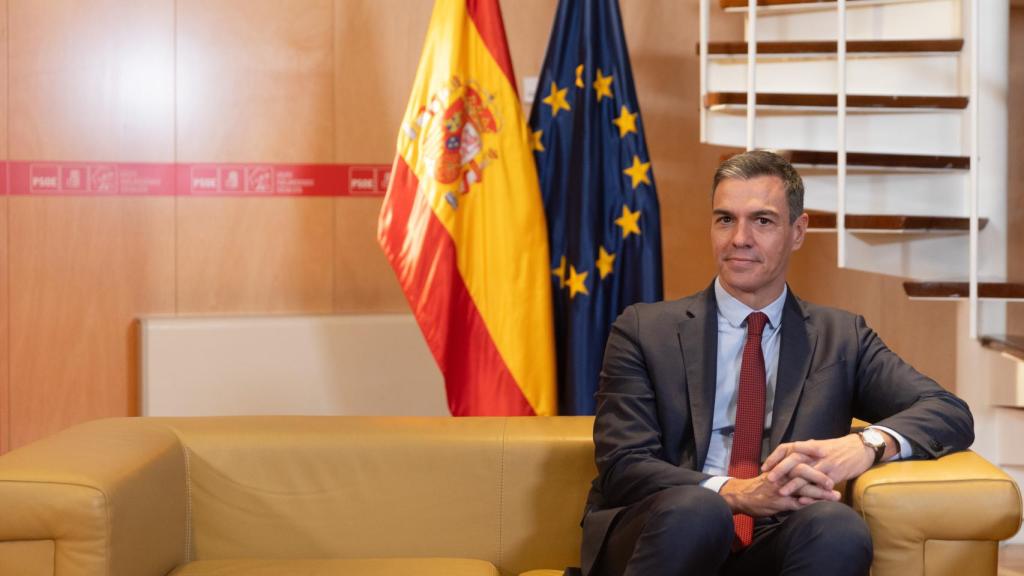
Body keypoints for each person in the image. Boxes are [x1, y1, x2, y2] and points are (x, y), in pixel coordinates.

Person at [580, 150, 974, 576]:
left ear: (798, 232)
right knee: (700, 509)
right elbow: (623, 465)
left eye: (762, 221)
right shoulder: (644, 329)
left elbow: (948, 410)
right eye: (725, 219)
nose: (739, 239)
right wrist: (736, 492)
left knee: (836, 526)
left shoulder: (840, 337)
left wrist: (866, 445)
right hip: (666, 527)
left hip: (774, 535)